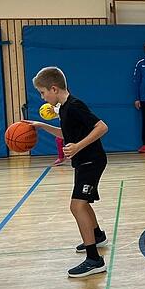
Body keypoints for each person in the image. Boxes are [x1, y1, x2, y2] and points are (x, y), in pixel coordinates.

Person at [28, 67, 110, 277]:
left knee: (77, 206)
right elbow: (67, 134)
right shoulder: (63, 108)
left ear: (54, 88)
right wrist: (42, 125)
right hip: (84, 161)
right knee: (83, 203)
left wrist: (78, 146)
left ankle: (94, 260)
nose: (42, 97)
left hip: (92, 160)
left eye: (43, 92)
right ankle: (97, 235)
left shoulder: (74, 106)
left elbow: (102, 127)